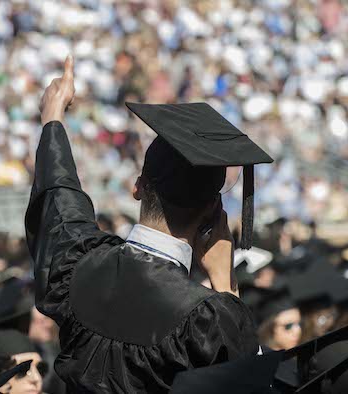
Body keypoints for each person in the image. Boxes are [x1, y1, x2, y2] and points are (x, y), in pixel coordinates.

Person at [25, 56, 273, 392]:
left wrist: (53, 118)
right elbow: (250, 384)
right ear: (215, 211)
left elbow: (59, 200)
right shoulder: (207, 317)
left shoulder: (77, 264)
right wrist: (226, 288)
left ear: (138, 187)